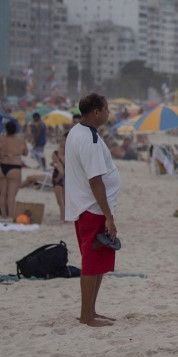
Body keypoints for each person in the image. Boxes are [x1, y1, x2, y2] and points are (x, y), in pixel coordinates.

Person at [65, 93, 121, 327]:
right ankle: (86, 315)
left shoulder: (78, 132)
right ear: (96, 112)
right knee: (91, 260)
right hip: (92, 208)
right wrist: (108, 215)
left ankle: (91, 310)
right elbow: (95, 180)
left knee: (97, 261)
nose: (109, 113)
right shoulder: (89, 139)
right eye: (106, 109)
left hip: (86, 206)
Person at [0, 120, 27, 220]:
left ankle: (3, 214)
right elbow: (25, 153)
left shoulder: (1, 139)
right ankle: (10, 216)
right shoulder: (20, 140)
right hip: (15, 167)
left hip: (3, 165)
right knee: (11, 195)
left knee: (3, 193)